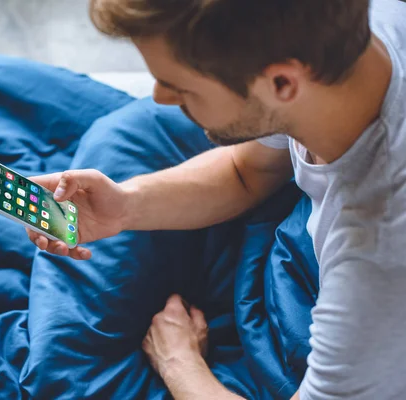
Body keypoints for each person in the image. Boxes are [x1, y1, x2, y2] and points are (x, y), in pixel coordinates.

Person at [26, 0, 406, 398]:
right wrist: (125, 206)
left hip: (344, 311)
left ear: (282, 84)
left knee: (71, 375)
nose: (161, 96)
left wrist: (179, 363)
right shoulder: (359, 27)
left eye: (180, 87)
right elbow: (248, 170)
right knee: (128, 134)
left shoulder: (377, 260)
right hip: (303, 238)